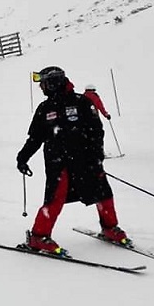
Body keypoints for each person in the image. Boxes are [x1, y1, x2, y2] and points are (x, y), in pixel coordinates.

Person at [16, 66, 129, 254]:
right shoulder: (45, 108)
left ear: (53, 83)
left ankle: (110, 228)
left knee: (103, 193)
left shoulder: (82, 102)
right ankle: (38, 237)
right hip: (58, 162)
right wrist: (23, 157)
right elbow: (35, 137)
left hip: (86, 159)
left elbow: (96, 131)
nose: (41, 87)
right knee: (55, 198)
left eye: (43, 83)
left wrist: (97, 156)